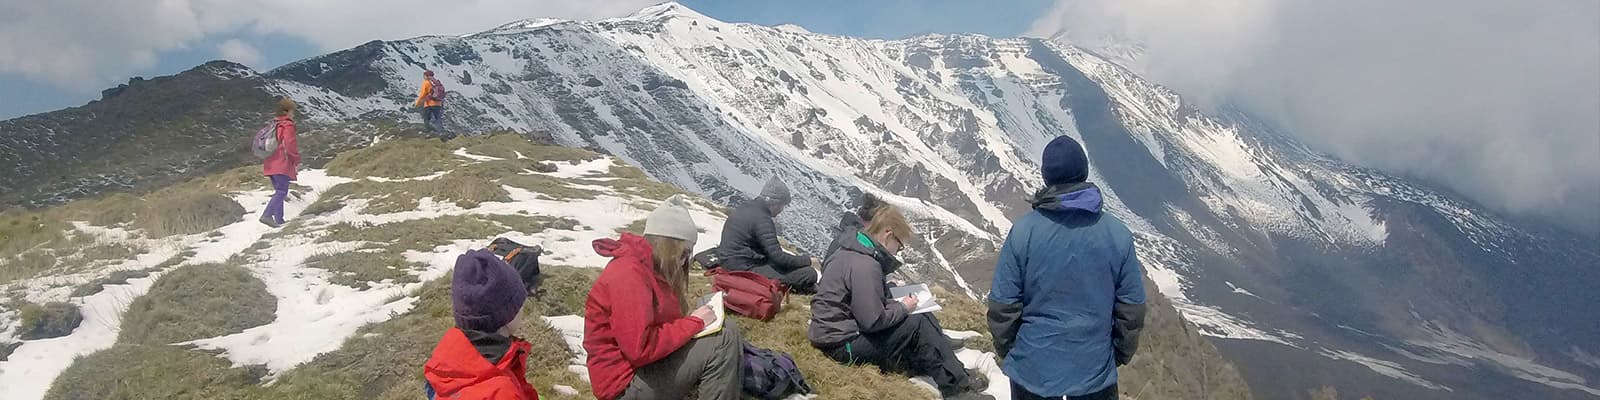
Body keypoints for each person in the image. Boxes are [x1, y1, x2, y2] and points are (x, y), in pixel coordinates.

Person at [987, 136, 1147, 400]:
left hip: (1032, 370)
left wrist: (1013, 350)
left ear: (1046, 177)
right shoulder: (1117, 234)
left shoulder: (1024, 232)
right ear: (1084, 172)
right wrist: (1117, 354)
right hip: (1095, 373)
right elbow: (1131, 309)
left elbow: (1003, 305)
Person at [809, 204, 989, 400]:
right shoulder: (865, 265)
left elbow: (862, 305)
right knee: (916, 321)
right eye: (899, 245)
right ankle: (956, 390)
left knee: (919, 313)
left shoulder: (854, 251)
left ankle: (954, 372)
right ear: (887, 234)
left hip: (838, 334)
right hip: (842, 347)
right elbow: (872, 321)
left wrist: (901, 305)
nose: (898, 251)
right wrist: (903, 307)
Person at [584, 195, 744, 400]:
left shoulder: (650, 268)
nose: (686, 259)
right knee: (723, 339)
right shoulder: (629, 275)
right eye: (684, 251)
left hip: (640, 371)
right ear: (669, 245)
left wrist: (694, 322)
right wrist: (694, 323)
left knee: (726, 329)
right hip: (623, 386)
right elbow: (639, 349)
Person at [423, 250, 540, 400]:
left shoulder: (446, 362)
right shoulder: (502, 392)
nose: (524, 306)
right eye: (519, 301)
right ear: (507, 314)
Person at [718, 178, 821, 294]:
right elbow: (778, 258)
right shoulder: (763, 220)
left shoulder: (746, 207)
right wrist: (808, 260)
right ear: (775, 203)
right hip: (743, 268)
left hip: (729, 260)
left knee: (795, 270)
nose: (782, 210)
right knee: (808, 273)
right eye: (783, 205)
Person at [259, 98, 300, 228]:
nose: (293, 114)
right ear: (286, 112)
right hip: (282, 162)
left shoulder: (273, 125)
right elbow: (289, 144)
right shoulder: (287, 125)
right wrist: (296, 159)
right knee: (282, 191)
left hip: (269, 162)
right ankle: (267, 215)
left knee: (279, 190)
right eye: (292, 112)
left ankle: (279, 220)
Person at [414, 70, 447, 138]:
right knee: (438, 118)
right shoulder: (436, 83)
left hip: (429, 104)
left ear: (426, 76)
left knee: (426, 118)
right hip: (438, 104)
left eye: (424, 75)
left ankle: (428, 133)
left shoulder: (426, 82)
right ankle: (440, 133)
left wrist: (417, 102)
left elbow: (423, 94)